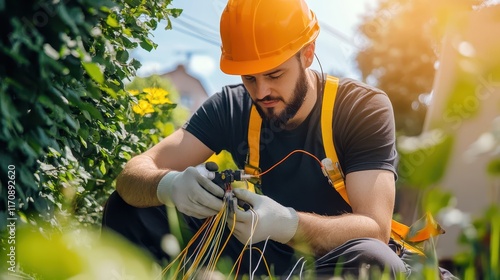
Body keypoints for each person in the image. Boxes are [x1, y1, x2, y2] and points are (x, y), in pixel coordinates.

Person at [101, 0, 455, 279]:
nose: (262, 91)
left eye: (274, 74)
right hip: (258, 255)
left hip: (328, 262)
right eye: (249, 78)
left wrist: (289, 223)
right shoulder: (231, 106)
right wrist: (170, 186)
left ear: (307, 54)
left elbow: (375, 228)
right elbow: (132, 174)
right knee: (126, 208)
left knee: (374, 261)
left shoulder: (361, 107)